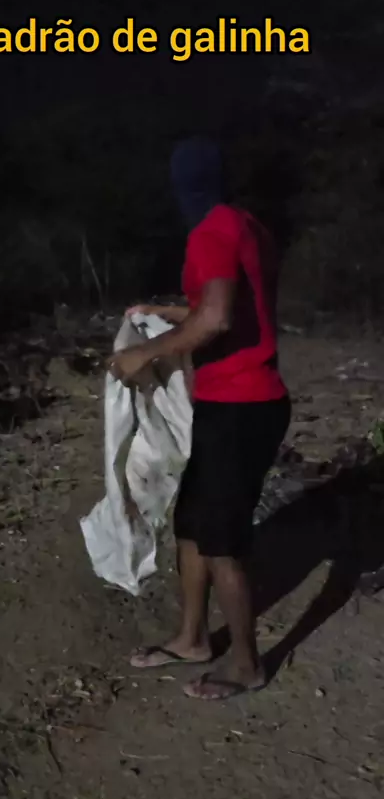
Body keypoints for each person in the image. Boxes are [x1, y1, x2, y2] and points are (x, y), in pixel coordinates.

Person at [107, 137, 291, 701]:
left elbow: (214, 320)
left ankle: (247, 664)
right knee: (192, 523)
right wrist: (160, 312)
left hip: (241, 405)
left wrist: (144, 353)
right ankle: (192, 639)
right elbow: (224, 306)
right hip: (237, 403)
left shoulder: (210, 231)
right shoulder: (247, 225)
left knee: (220, 540)